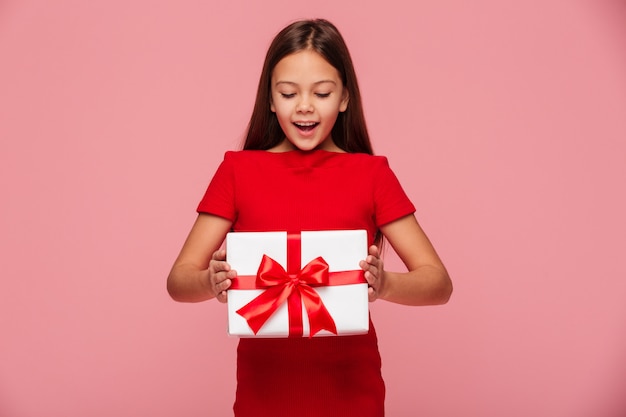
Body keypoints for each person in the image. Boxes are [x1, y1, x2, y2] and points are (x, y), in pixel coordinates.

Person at [167, 18, 452, 417]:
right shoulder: (237, 171)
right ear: (269, 99)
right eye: (288, 93)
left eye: (321, 92)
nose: (304, 105)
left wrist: (385, 284)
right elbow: (178, 280)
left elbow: (438, 283)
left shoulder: (372, 174)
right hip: (263, 394)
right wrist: (208, 281)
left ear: (344, 98)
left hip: (352, 393)